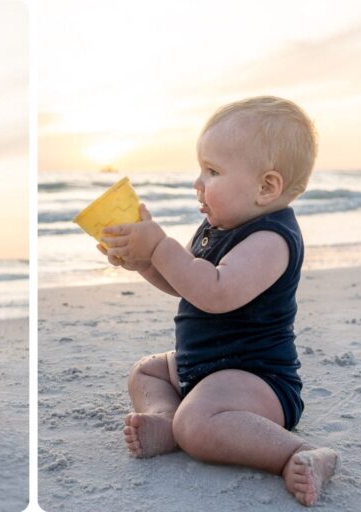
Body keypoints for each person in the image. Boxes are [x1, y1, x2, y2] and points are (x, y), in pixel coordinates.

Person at [99, 96, 337, 506]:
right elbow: (187, 283)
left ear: (266, 187)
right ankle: (165, 418)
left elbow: (215, 292)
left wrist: (159, 246)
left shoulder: (271, 239)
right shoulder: (217, 227)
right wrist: (144, 263)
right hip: (202, 367)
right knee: (147, 372)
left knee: (199, 424)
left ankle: (299, 453)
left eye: (212, 171)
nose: (198, 183)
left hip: (255, 379)